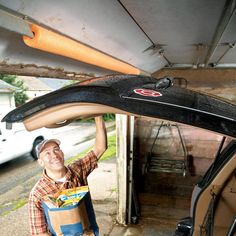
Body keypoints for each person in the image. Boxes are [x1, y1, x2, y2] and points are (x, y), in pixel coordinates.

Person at [28, 116, 107, 236]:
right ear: (41, 162)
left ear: (62, 152)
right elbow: (39, 232)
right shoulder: (37, 193)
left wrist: (98, 117)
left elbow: (100, 148)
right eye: (47, 153)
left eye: (56, 149)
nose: (54, 155)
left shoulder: (77, 169)